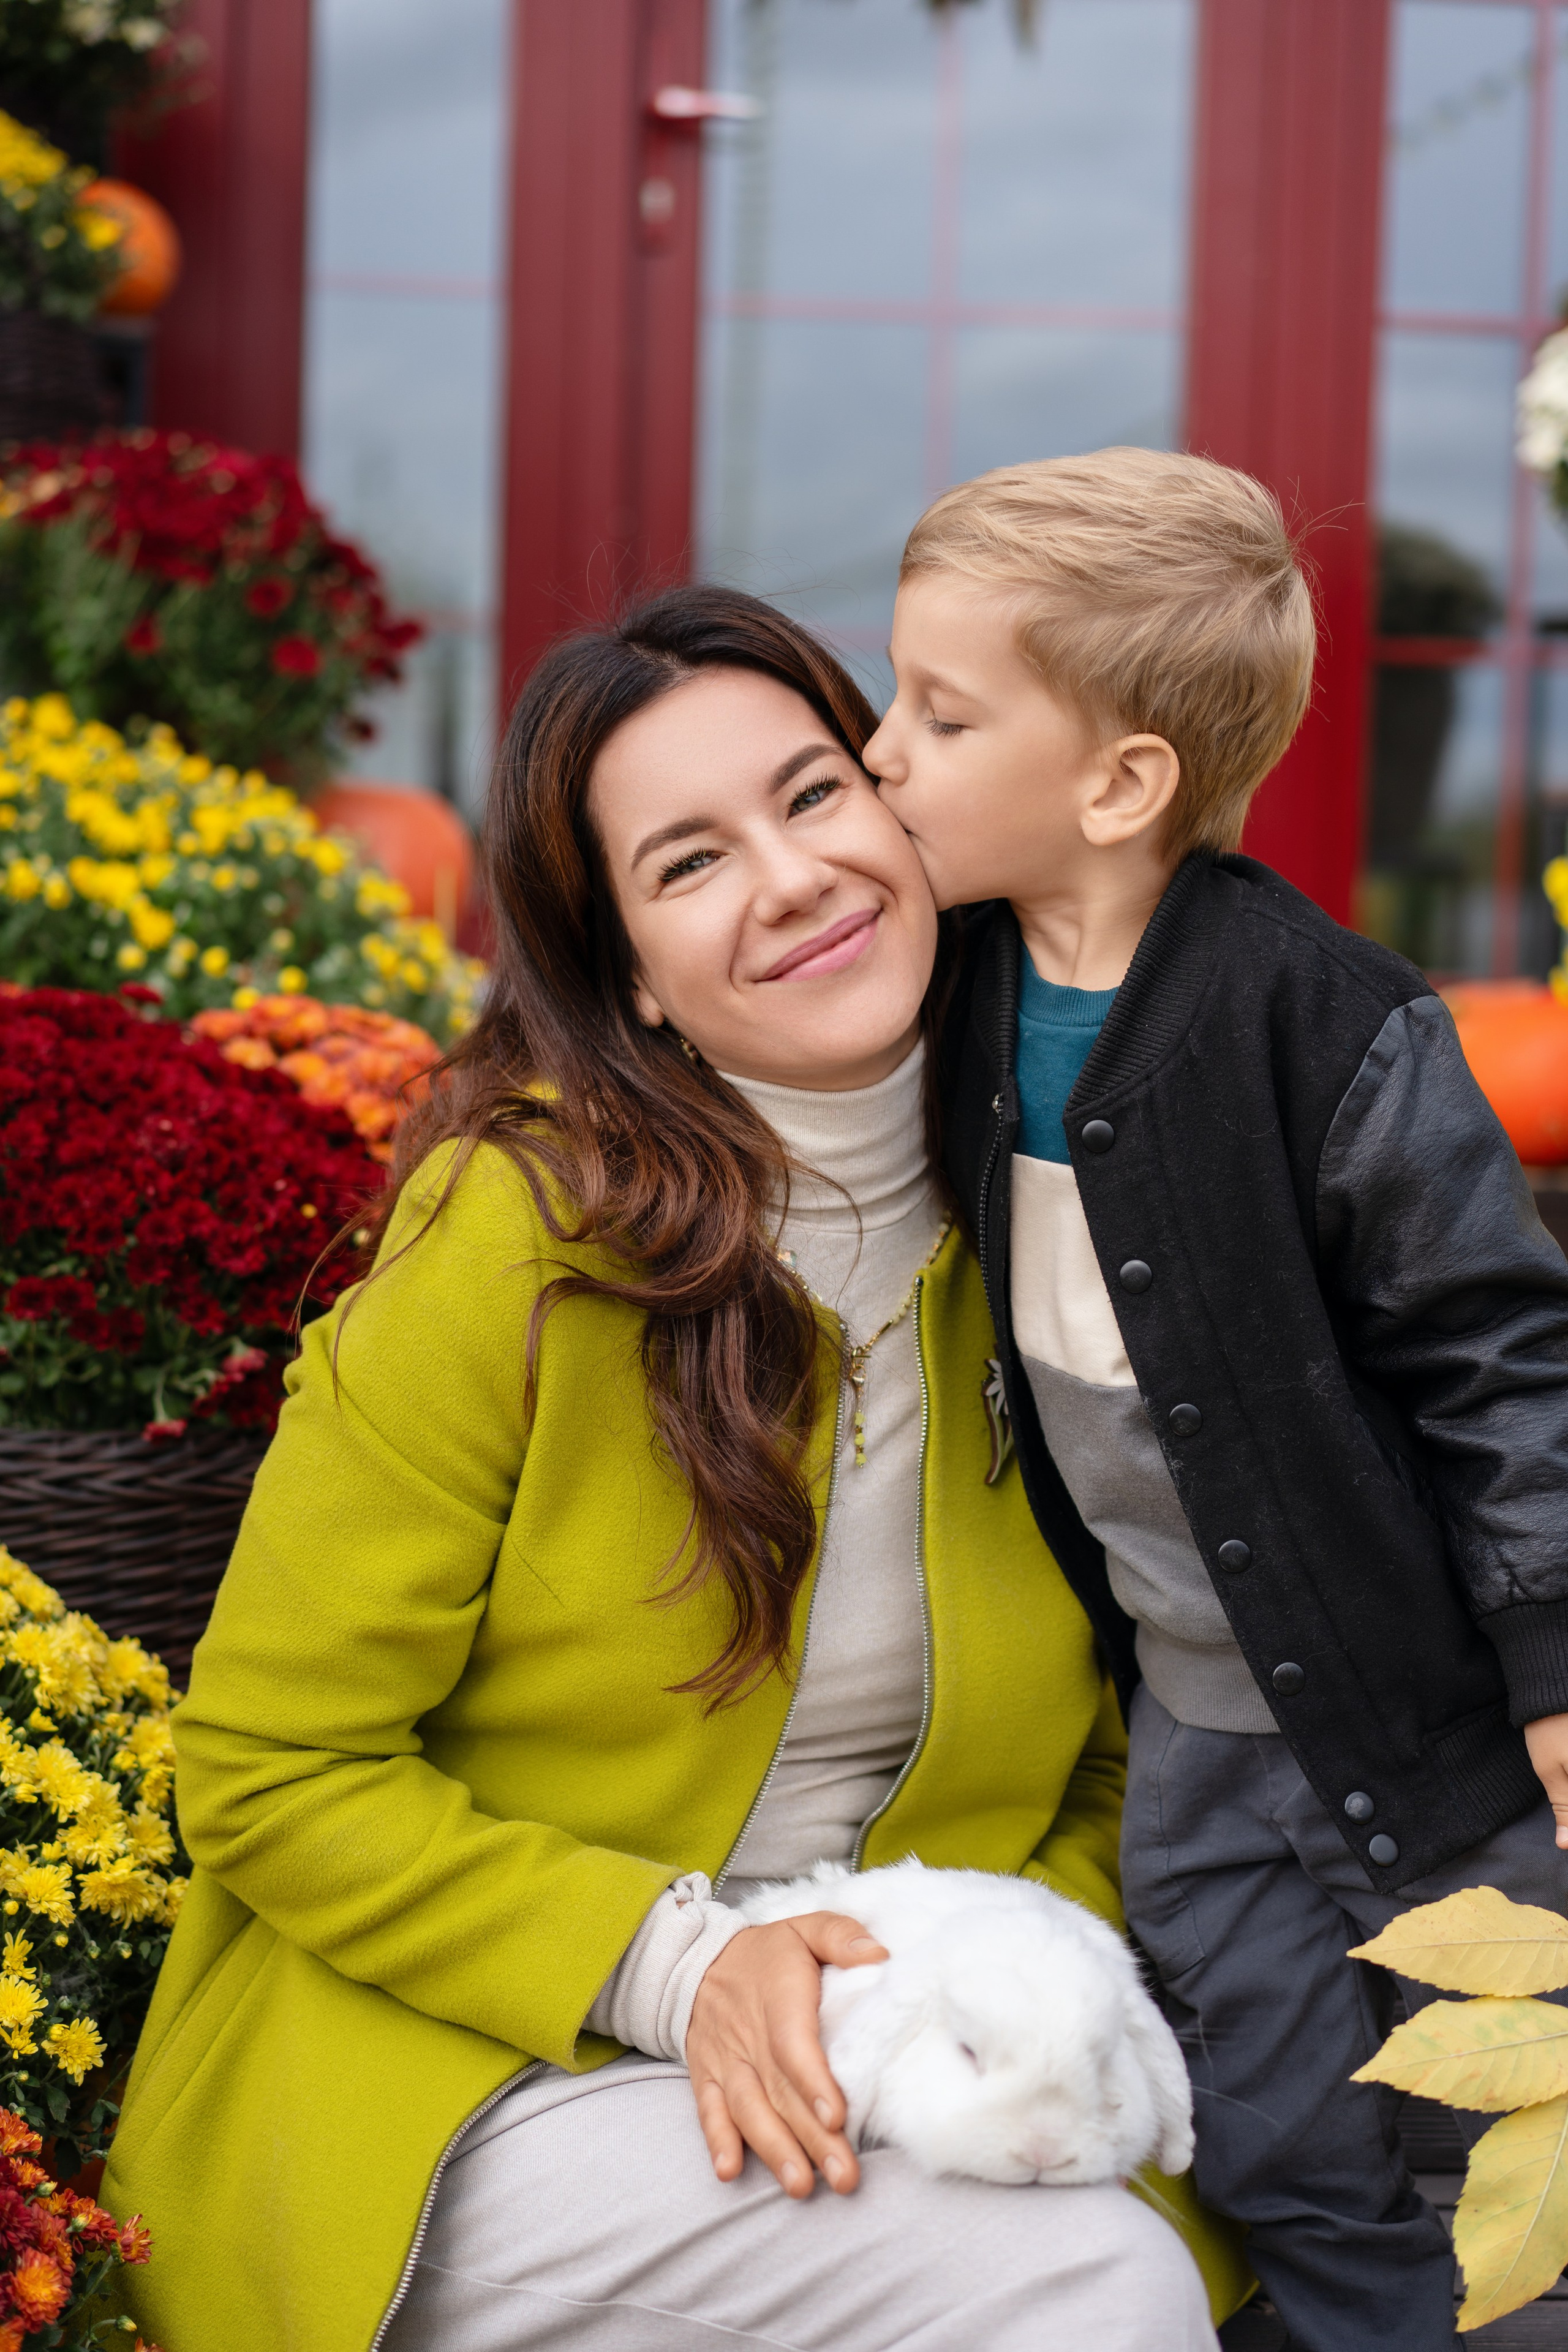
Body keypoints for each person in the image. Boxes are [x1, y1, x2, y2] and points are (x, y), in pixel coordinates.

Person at [105, 586, 1243, 2352]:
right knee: (1088, 2298)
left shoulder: (1067, 1222)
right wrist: (686, 1965)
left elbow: (1120, 1746)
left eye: (811, 797)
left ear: (901, 813)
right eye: (688, 861)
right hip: (458, 2070)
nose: (790, 880)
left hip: (892, 2059)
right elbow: (267, 1767)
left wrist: (969, 1988)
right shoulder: (515, 1241)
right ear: (629, 965)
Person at [861, 445, 1568, 2351]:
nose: (881, 752)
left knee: (1497, 2119)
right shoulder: (950, 990)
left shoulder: (1326, 1022)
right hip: (1184, 1723)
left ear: (1118, 781)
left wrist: (1560, 1668)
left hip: (1416, 1720)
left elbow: (1502, 1360)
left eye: (938, 711)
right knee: (1257, 2128)